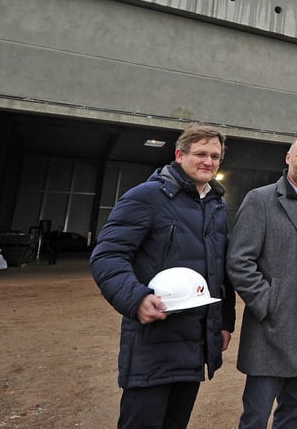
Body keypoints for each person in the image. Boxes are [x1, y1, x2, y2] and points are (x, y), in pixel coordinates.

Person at [90, 123, 235, 429]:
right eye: (200, 154)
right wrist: (136, 297)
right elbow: (108, 255)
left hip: (195, 342)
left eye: (215, 156)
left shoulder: (217, 206)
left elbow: (220, 270)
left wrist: (224, 323)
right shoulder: (147, 197)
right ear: (180, 155)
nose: (208, 161)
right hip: (153, 340)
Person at [227, 135, 297, 429]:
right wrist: (268, 303)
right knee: (256, 416)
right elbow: (239, 260)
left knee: (293, 414)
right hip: (271, 330)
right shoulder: (260, 200)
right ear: (288, 157)